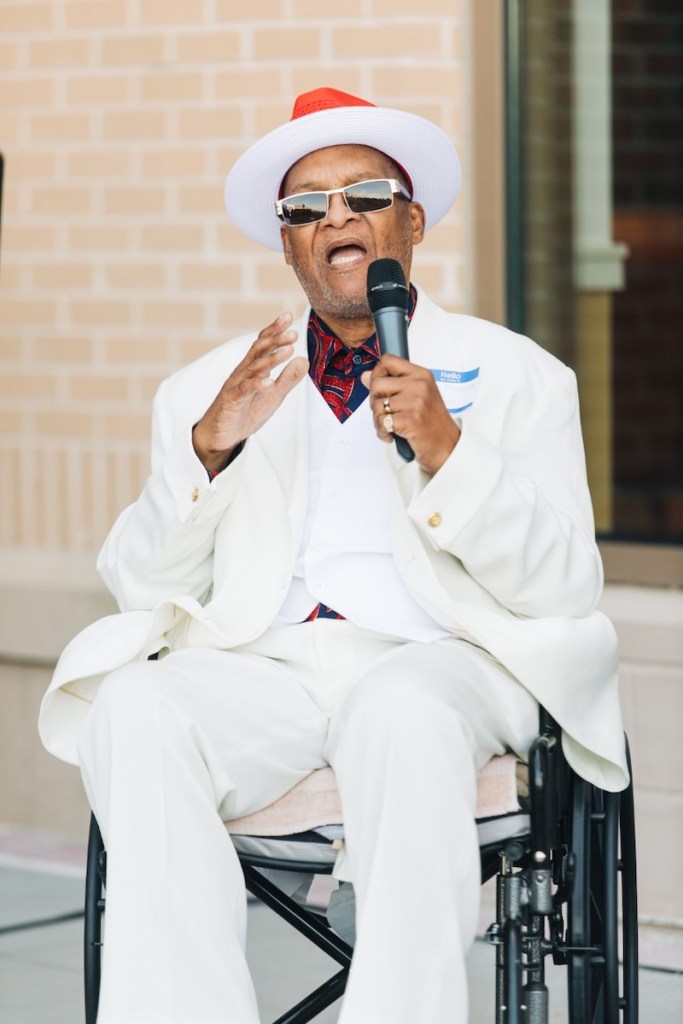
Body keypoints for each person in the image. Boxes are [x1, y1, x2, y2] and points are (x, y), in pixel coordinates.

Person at [39, 87, 628, 1024]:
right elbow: (140, 585)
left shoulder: (518, 375)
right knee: (136, 703)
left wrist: (450, 453)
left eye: (365, 195)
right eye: (306, 206)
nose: (337, 218)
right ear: (287, 244)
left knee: (399, 707)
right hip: (266, 668)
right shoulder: (205, 388)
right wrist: (208, 453)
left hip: (441, 660)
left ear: (413, 222)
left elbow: (563, 586)